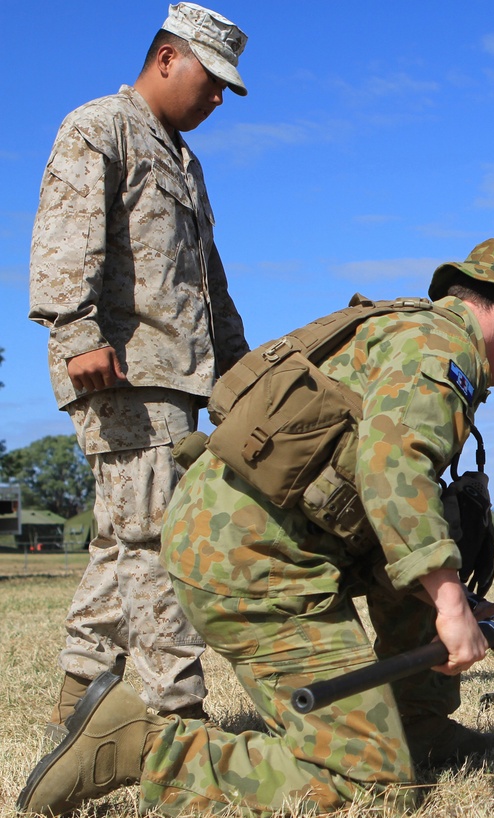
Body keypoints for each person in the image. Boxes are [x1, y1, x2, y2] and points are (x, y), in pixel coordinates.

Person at [18, 238, 494, 815]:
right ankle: (138, 745)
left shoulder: (405, 332)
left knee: (426, 559)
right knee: (369, 785)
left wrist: (474, 612)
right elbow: (395, 466)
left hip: (257, 542)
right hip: (254, 565)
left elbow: (382, 517)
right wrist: (452, 610)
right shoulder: (443, 346)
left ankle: (418, 727)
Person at [26, 2, 250, 738]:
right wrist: (76, 330)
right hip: (118, 372)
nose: (217, 98)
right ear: (166, 59)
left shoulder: (184, 160)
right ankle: (173, 720)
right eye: (211, 80)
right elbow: (67, 233)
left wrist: (240, 377)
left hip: (175, 378)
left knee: (121, 543)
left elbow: (205, 281)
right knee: (161, 544)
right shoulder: (99, 126)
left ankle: (77, 708)